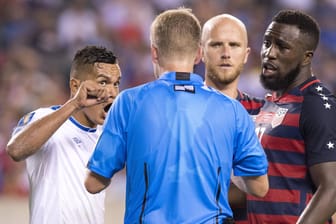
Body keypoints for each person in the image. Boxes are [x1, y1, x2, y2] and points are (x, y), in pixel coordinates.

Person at [84, 7, 269, 223]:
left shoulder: (128, 102)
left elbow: (93, 183)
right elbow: (260, 187)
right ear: (199, 54)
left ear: (154, 52)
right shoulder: (233, 109)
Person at [6, 45, 121, 224]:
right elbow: (16, 150)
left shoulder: (109, 134)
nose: (112, 92)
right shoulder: (43, 118)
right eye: (103, 82)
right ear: (75, 86)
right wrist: (74, 104)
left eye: (116, 83)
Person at [247, 9, 336, 223]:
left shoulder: (316, 104)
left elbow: (332, 187)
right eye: (267, 42)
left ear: (306, 57)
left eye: (282, 47)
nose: (270, 52)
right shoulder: (271, 103)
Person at [201, 14, 264, 224]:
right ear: (201, 52)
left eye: (234, 45)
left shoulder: (265, 114)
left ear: (246, 54)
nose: (226, 53)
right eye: (217, 44)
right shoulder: (176, 111)